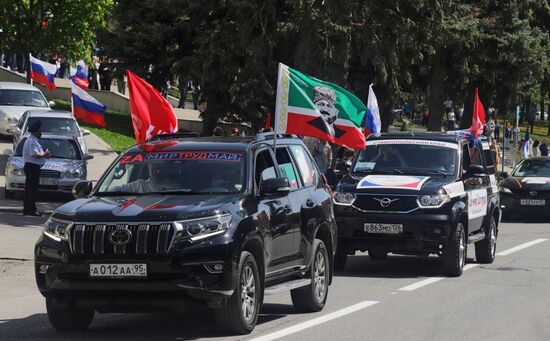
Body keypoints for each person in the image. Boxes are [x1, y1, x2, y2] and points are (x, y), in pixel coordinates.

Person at [22, 121, 51, 216]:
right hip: (32, 167)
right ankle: (31, 210)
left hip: (32, 167)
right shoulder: (31, 141)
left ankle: (27, 209)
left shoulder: (33, 141)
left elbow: (40, 155)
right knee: (32, 189)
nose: (41, 132)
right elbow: (35, 155)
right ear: (36, 131)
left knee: (29, 189)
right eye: (40, 131)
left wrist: (45, 155)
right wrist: (44, 154)